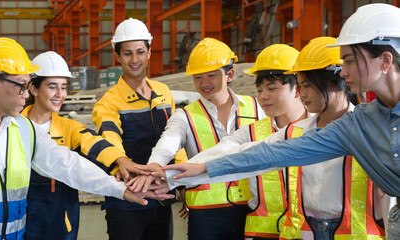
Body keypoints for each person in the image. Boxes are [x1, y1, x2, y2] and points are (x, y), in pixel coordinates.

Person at [158, 3, 400, 239]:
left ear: (385, 61)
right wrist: (202, 169)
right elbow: (273, 153)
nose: (343, 72)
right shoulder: (355, 125)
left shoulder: (355, 123)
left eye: (348, 61)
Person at [0, 37, 172, 240]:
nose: (25, 94)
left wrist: (121, 188)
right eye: (21, 86)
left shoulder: (24, 130)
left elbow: (69, 166)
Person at [133, 43, 308, 239]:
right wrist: (160, 171)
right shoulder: (187, 116)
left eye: (211, 75)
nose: (204, 82)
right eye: (198, 76)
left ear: (229, 75)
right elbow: (177, 145)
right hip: (212, 215)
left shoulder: (258, 109)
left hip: (259, 211)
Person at [21, 51, 135, 240]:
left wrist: (119, 159)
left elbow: (93, 143)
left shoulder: (69, 128)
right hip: (22, 218)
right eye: (52, 87)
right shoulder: (14, 126)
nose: (60, 94)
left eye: (64, 87)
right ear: (33, 89)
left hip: (60, 222)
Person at [91, 18, 177, 240]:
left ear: (149, 52)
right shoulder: (108, 102)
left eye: (140, 51)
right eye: (127, 53)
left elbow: (176, 137)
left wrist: (183, 184)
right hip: (126, 201)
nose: (135, 59)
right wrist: (121, 160)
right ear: (117, 56)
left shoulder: (164, 93)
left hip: (160, 197)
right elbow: (110, 137)